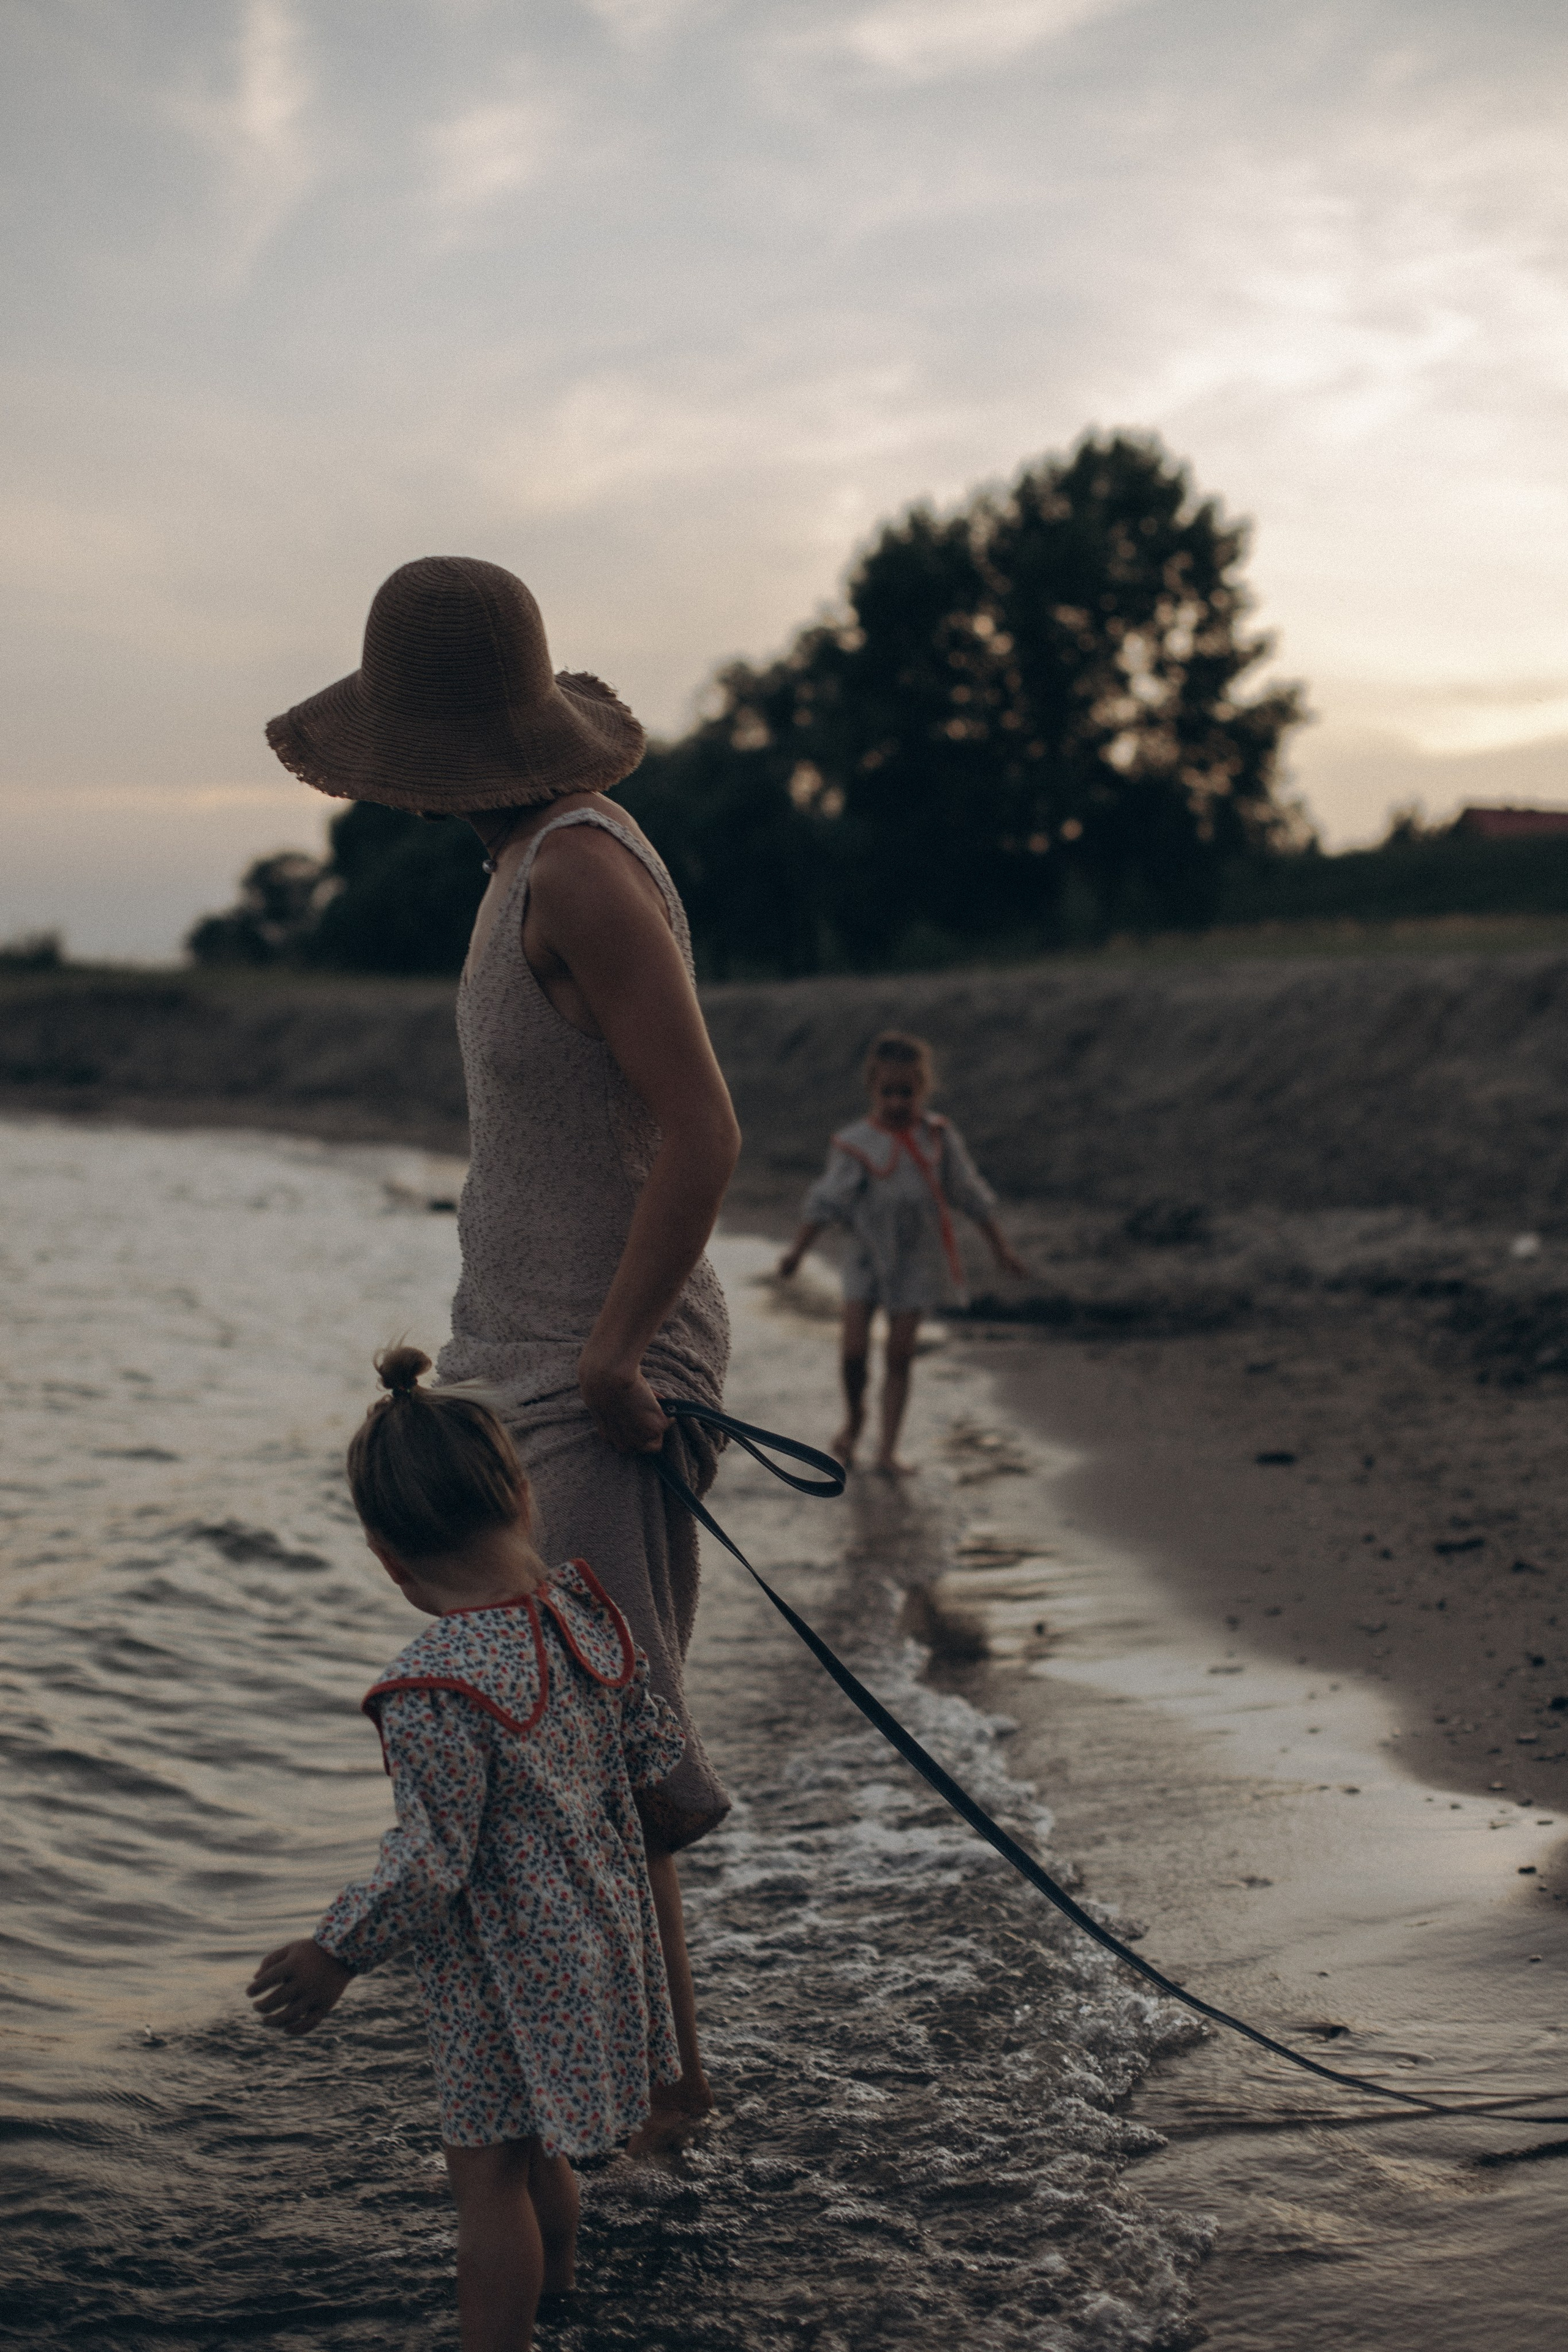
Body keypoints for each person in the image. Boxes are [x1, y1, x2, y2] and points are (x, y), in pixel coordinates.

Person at [266, 557, 739, 2147]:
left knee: (590, 1742)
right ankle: (651, 2088)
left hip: (599, 1367)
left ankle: (636, 2106)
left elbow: (705, 1130)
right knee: (597, 1738)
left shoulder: (582, 873)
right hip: (526, 1351)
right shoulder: (524, 861)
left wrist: (617, 1356)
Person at [247, 1347, 685, 2352]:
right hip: (602, 1938)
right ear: (523, 1498)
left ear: (387, 1556)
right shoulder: (582, 1617)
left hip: (503, 1973)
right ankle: (564, 2292)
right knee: (539, 2152)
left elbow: (432, 1861)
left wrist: (336, 1952)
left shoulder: (435, 1686)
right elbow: (653, 1748)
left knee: (486, 2177)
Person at [777, 1031, 1026, 1473]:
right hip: (864, 1256)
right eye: (886, 1092)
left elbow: (970, 1195)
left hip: (917, 1258)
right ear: (872, 1089)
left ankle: (887, 1450)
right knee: (853, 1352)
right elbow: (824, 1202)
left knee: (899, 1355)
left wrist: (1001, 1249)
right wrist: (797, 1253)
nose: (896, 1102)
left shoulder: (939, 1138)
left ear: (923, 1089)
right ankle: (855, 1420)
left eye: (906, 1092)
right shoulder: (855, 1144)